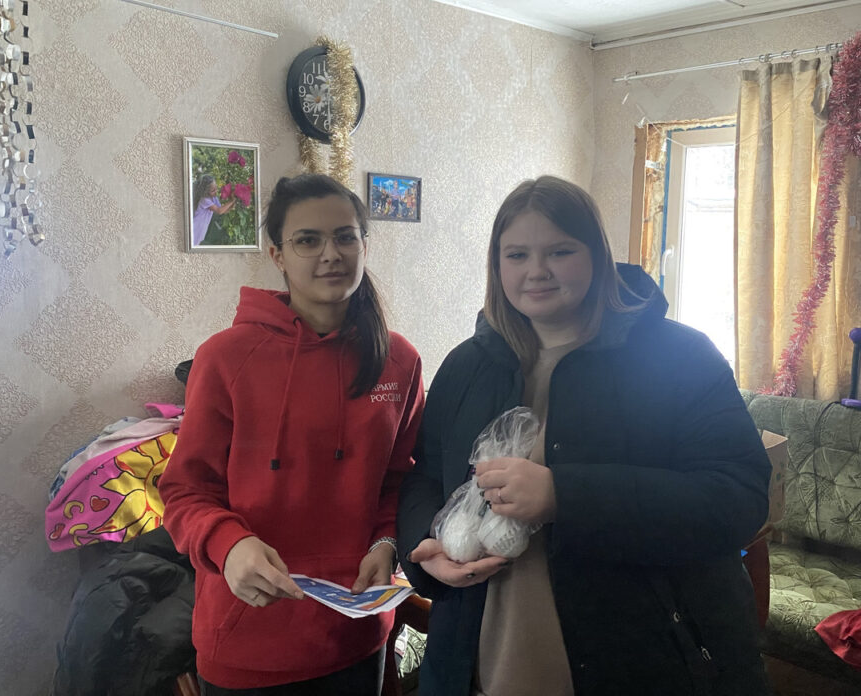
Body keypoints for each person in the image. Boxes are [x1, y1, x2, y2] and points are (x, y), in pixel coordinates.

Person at [397, 176, 772, 696]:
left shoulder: (678, 357)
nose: (536, 271)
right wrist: (425, 546)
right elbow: (425, 477)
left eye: (560, 251)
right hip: (477, 662)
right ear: (496, 265)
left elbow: (738, 499)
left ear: (597, 254)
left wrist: (564, 496)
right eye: (516, 255)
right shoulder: (467, 365)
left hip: (645, 663)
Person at [161, 173, 424, 695]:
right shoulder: (225, 358)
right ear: (277, 255)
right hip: (248, 640)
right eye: (307, 240)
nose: (330, 254)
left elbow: (401, 480)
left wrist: (387, 542)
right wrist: (229, 544)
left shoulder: (398, 360)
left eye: (345, 237)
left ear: (365, 245)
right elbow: (185, 492)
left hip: (357, 637)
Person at [192, 173, 235, 246]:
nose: (216, 191)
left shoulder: (214, 198)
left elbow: (223, 211)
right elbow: (219, 211)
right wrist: (231, 201)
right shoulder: (204, 200)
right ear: (205, 191)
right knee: (193, 244)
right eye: (213, 191)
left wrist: (233, 203)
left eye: (216, 188)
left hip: (202, 229)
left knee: (196, 244)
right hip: (196, 227)